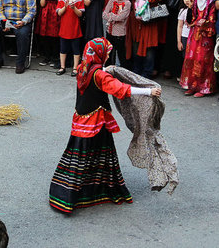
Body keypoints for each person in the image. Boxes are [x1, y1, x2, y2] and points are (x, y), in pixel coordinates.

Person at [49, 37, 161, 214]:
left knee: (82, 156)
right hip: (96, 120)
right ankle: (91, 192)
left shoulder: (83, 67)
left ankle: (69, 193)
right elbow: (122, 89)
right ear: (100, 54)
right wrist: (148, 91)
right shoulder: (100, 75)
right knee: (93, 155)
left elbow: (99, 75)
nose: (108, 56)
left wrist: (104, 69)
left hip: (82, 120)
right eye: (106, 53)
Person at [128, 0, 164, 78]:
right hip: (136, 16)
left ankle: (147, 73)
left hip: (149, 15)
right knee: (136, 43)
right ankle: (137, 71)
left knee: (149, 45)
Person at [180, 0, 217, 97]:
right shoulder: (195, 2)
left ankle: (203, 87)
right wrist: (190, 8)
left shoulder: (211, 4)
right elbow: (190, 21)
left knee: (203, 61)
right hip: (194, 36)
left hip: (205, 38)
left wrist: (205, 23)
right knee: (191, 59)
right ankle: (192, 85)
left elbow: (212, 21)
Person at [55, 0, 84, 76]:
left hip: (75, 29)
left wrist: (74, 7)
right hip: (64, 29)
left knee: (76, 50)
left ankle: (75, 67)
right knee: (63, 49)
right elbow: (59, 13)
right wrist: (65, 7)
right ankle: (62, 67)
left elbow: (80, 14)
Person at [102, 0, 132, 67]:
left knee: (121, 55)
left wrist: (111, 16)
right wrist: (114, 16)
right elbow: (104, 14)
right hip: (109, 31)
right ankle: (108, 72)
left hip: (120, 34)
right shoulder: (112, 1)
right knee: (109, 54)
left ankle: (122, 74)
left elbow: (122, 17)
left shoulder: (127, 3)